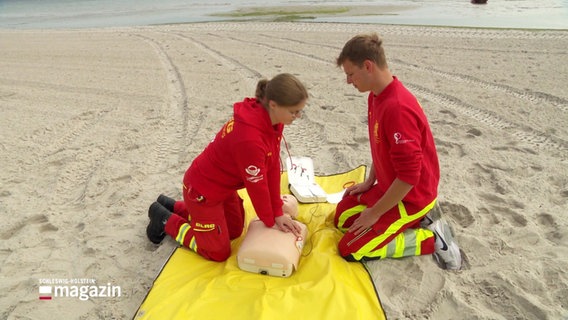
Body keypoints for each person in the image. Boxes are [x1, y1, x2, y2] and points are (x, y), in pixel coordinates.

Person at [146, 73, 307, 262]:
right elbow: (257, 187)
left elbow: (270, 168)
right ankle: (165, 220)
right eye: (294, 111)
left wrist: (278, 211)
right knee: (217, 253)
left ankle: (173, 206)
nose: (297, 116)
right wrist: (271, 220)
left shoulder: (273, 123)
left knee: (235, 230)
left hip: (222, 189)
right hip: (202, 193)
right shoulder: (250, 139)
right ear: (273, 104)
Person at [334, 33, 462, 270]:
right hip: (387, 185)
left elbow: (409, 177)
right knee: (341, 217)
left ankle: (429, 238)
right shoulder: (376, 95)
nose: (349, 81)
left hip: (411, 196)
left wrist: (373, 213)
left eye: (350, 74)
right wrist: (369, 181)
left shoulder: (398, 108)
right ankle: (400, 223)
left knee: (350, 248)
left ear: (368, 66)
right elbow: (379, 143)